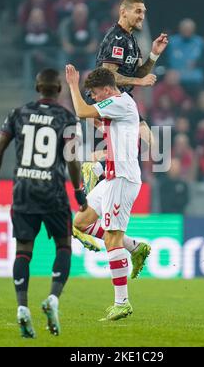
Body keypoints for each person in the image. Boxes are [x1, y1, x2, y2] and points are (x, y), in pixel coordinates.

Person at [0, 68, 92, 339]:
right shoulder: (67, 117)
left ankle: (22, 308)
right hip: (53, 192)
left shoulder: (17, 113)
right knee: (64, 245)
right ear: (59, 89)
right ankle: (53, 298)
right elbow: (72, 160)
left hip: (23, 192)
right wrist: (79, 192)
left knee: (23, 252)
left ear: (36, 87)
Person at [66, 65, 151, 321]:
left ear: (106, 89)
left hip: (122, 179)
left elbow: (82, 111)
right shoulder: (117, 105)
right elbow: (100, 124)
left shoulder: (118, 102)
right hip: (112, 178)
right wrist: (104, 153)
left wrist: (73, 84)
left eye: (94, 93)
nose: (93, 98)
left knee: (112, 239)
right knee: (80, 222)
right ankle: (135, 248)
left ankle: (122, 302)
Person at [83, 0, 168, 189]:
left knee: (148, 140)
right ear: (123, 12)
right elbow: (108, 76)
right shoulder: (116, 38)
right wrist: (140, 81)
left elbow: (138, 72)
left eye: (144, 13)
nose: (142, 17)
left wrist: (154, 54)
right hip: (105, 102)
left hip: (122, 102)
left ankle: (97, 164)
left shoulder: (131, 40)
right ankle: (96, 166)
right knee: (129, 147)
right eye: (138, 11)